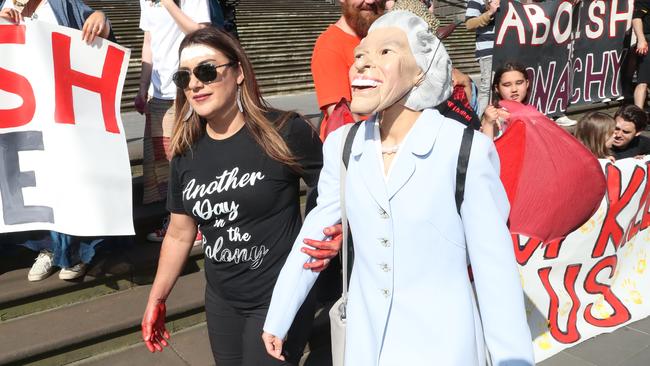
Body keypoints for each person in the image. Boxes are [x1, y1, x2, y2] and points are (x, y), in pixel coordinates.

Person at [262, 9, 534, 366]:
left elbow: (493, 268)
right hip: (367, 341)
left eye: (384, 53)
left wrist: (512, 359)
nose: (362, 63)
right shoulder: (343, 146)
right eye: (360, 54)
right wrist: (279, 315)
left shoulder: (463, 149)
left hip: (444, 344)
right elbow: (314, 235)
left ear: (420, 70)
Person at [140, 27, 329, 365]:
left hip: (279, 297)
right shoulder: (185, 152)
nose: (195, 83)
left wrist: (332, 232)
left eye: (207, 71)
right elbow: (180, 233)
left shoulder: (284, 131)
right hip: (222, 301)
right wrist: (157, 297)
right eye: (185, 77)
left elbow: (335, 188)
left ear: (239, 72)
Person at [0, 0, 113, 281]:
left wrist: (101, 18)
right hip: (26, 114)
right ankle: (47, 249)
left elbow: (102, 30)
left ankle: (77, 252)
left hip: (65, 109)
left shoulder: (62, 3)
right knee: (38, 184)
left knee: (71, 179)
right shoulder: (4, 7)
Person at [134, 0, 211, 243]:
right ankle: (177, 221)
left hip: (189, 86)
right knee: (165, 162)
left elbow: (201, 33)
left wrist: (169, 3)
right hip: (159, 92)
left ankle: (199, 222)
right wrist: (143, 86)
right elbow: (149, 42)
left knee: (191, 157)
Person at [311, 0, 385, 140]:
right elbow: (343, 123)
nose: (370, 1)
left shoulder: (383, 36)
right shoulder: (330, 46)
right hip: (364, 147)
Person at [465, 0, 499, 117]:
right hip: (488, 50)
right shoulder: (476, 1)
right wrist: (490, 12)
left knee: (505, 84)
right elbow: (469, 24)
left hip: (507, 48)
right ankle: (478, 121)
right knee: (488, 87)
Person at [480, 61, 529, 139]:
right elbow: (486, 147)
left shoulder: (534, 113)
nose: (514, 89)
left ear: (527, 83)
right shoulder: (493, 116)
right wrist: (488, 123)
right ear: (497, 88)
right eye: (507, 85)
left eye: (519, 83)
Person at [633, 0, 650, 109]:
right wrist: (641, 39)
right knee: (643, 82)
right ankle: (636, 116)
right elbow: (636, 18)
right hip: (648, 41)